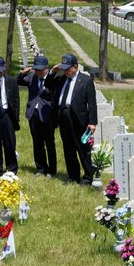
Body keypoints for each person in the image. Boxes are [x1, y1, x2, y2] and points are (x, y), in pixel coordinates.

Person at [45, 53, 97, 185]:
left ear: (75, 67)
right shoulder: (62, 78)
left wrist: (92, 122)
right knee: (68, 148)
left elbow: (91, 103)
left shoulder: (86, 80)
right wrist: (53, 71)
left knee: (82, 148)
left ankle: (87, 177)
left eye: (68, 68)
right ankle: (73, 176)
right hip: (63, 116)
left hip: (79, 118)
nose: (65, 71)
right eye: (64, 68)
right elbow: (48, 84)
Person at [17, 55, 56, 178]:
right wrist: (22, 73)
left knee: (49, 143)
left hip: (47, 114)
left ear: (46, 68)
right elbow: (17, 82)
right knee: (37, 142)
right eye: (36, 69)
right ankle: (40, 168)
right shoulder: (32, 77)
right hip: (33, 113)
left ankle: (51, 170)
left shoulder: (52, 79)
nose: (38, 72)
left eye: (40, 69)